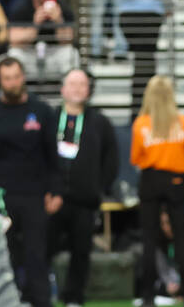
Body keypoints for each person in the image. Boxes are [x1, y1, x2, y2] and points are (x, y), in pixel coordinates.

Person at [0, 57, 62, 307]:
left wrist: (55, 190)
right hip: (0, 196)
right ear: (0, 82)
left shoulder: (42, 111)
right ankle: (4, 302)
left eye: (16, 77)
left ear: (23, 77)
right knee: (3, 254)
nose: (12, 83)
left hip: (35, 194)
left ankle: (41, 302)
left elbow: (52, 156)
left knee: (37, 254)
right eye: (7, 79)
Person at [48, 68, 118, 307]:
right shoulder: (50, 118)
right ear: (63, 89)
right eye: (73, 84)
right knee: (44, 246)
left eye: (82, 84)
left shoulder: (99, 122)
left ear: (89, 90)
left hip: (85, 200)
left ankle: (74, 296)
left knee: (81, 251)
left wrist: (99, 188)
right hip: (52, 198)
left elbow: (111, 160)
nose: (77, 89)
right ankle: (39, 292)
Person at [131, 75, 184, 307]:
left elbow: (136, 159)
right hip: (177, 180)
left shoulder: (141, 124)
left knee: (149, 238)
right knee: (182, 237)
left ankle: (148, 296)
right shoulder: (183, 122)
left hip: (150, 179)